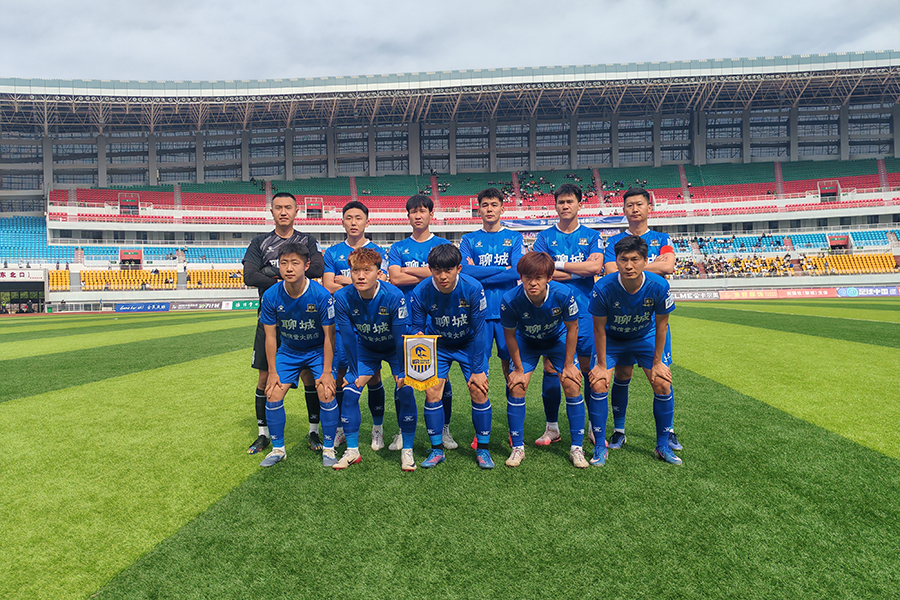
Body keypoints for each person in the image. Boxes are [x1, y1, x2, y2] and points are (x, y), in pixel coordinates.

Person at [242, 192, 325, 455]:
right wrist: (283, 277)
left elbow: (317, 269)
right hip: (269, 318)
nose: (283, 211)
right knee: (265, 378)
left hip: (302, 320)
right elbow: (249, 276)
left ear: (296, 211)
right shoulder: (259, 242)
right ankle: (263, 434)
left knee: (309, 376)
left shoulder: (307, 240)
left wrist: (270, 271)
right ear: (272, 211)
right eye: (278, 207)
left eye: (288, 207)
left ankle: (313, 431)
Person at [588, 236, 681, 466]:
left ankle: (662, 445)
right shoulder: (603, 287)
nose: (629, 265)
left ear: (645, 261)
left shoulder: (659, 286)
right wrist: (601, 365)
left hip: (643, 337)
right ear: (616, 261)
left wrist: (658, 363)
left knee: (662, 382)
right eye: (624, 260)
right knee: (599, 383)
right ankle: (600, 446)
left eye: (635, 259)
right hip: (612, 338)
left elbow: (662, 325)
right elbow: (598, 329)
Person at [601, 188, 680, 452]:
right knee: (622, 374)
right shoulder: (614, 240)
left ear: (649, 208)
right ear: (623, 210)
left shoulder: (662, 238)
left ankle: (668, 432)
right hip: (621, 320)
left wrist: (630, 267)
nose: (635, 209)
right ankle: (619, 430)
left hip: (651, 321)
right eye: (630, 205)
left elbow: (669, 266)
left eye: (639, 204)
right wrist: (649, 265)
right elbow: (609, 270)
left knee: (662, 376)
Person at [531, 183, 604, 448]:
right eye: (561, 202)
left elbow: (595, 267)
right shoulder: (544, 238)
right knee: (551, 368)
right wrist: (579, 270)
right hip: (552, 312)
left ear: (579, 205)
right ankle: (552, 427)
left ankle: (593, 426)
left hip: (585, 311)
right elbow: (540, 272)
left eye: (570, 201)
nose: (565, 206)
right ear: (555, 206)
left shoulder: (592, 236)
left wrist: (557, 266)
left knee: (586, 369)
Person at [500, 252, 587, 469]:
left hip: (556, 340)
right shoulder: (510, 299)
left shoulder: (563, 294)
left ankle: (577, 448)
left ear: (549, 277)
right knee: (517, 385)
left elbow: (572, 328)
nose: (533, 282)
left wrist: (569, 365)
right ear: (521, 277)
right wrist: (518, 369)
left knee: (572, 383)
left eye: (538, 277)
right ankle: (517, 448)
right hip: (527, 342)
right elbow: (509, 335)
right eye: (527, 277)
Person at [410, 244, 493, 469]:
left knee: (478, 389)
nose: (443, 276)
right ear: (430, 269)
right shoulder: (421, 291)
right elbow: (417, 329)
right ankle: (437, 449)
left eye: (448, 270)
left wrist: (477, 370)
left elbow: (479, 331)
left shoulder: (473, 288)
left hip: (469, 343)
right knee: (432, 391)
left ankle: (483, 450)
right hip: (439, 345)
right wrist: (419, 342)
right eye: (437, 270)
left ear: (459, 268)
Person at [334, 248, 416, 471]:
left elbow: (399, 338)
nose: (360, 276)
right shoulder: (342, 297)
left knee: (405, 389)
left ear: (378, 273)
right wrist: (353, 370)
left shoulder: (394, 296)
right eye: (355, 271)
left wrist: (402, 371)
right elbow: (348, 337)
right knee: (350, 390)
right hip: (367, 348)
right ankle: (352, 451)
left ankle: (407, 450)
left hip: (394, 349)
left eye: (367, 270)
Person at [257, 243, 336, 467]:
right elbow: (270, 336)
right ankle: (278, 449)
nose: (289, 268)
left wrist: (327, 372)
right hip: (289, 351)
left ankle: (329, 448)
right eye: (284, 263)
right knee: (272, 392)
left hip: (317, 351)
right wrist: (272, 371)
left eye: (295, 263)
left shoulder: (321, 295)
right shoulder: (271, 295)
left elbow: (330, 337)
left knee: (326, 391)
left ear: (306, 265)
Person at [387, 194, 456, 450]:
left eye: (422, 211)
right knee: (403, 378)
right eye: (413, 211)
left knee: (440, 379)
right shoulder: (398, 248)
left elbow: (441, 276)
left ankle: (444, 429)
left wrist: (408, 270)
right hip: (405, 319)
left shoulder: (443, 245)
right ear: (408, 216)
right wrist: (427, 272)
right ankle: (402, 431)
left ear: (431, 214)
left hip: (437, 319)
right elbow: (395, 278)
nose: (418, 215)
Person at [322, 200, 388, 451]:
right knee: (342, 374)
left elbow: (381, 282)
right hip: (343, 321)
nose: (353, 222)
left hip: (371, 321)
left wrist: (345, 279)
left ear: (367, 222)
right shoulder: (332, 252)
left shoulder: (378, 251)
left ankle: (377, 428)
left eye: (358, 218)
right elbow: (328, 285)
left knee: (373, 376)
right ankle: (341, 428)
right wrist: (359, 283)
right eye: (348, 218)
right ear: (342, 222)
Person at [459, 187, 525, 405]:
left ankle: (513, 413)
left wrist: (480, 272)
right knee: (479, 369)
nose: (489, 209)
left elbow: (517, 271)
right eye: (485, 205)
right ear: (478, 210)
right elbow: (465, 272)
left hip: (508, 311)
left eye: (494, 205)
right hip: (479, 312)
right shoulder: (468, 239)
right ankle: (482, 418)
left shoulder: (514, 237)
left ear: (502, 209)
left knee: (512, 370)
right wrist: (502, 269)